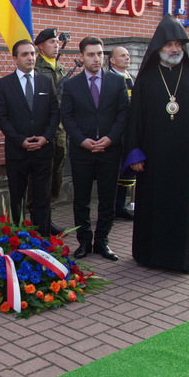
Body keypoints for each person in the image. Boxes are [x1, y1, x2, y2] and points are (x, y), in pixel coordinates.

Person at [124, 14, 189, 274]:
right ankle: (148, 255)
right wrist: (135, 152)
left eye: (178, 44)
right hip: (153, 158)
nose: (174, 49)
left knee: (182, 207)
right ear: (159, 47)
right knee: (153, 206)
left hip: (186, 157)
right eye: (169, 44)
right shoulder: (147, 77)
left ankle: (181, 259)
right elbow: (135, 118)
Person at [61, 37, 129, 261]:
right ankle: (84, 243)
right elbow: (67, 117)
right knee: (81, 200)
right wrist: (82, 140)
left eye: (100, 54)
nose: (96, 58)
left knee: (107, 199)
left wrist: (110, 138)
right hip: (82, 152)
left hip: (110, 150)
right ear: (82, 57)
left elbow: (123, 114)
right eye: (91, 54)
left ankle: (102, 242)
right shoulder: (71, 85)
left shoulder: (117, 82)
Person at [0, 39, 59, 236]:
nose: (30, 57)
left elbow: (55, 113)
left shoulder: (46, 81)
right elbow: (1, 117)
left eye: (32, 53)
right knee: (17, 197)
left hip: (43, 151)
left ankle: (43, 238)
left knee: (42, 197)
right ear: (15, 58)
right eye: (25, 54)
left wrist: (46, 137)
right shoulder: (4, 84)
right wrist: (19, 140)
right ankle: (18, 238)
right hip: (17, 151)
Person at [33, 27, 68, 235]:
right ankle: (36, 216)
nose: (56, 46)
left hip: (60, 130)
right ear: (40, 46)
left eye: (57, 42)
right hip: (42, 130)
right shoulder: (35, 68)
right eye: (52, 42)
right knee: (39, 176)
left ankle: (48, 215)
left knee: (57, 174)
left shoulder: (62, 69)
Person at [108, 46, 136, 220]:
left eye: (128, 55)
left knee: (125, 170)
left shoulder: (132, 79)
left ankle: (120, 207)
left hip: (129, 133)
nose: (127, 58)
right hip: (113, 133)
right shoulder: (108, 79)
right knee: (112, 172)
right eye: (123, 55)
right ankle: (110, 208)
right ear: (112, 60)